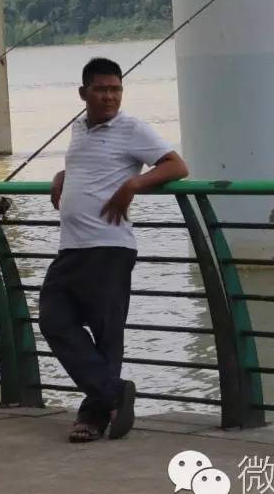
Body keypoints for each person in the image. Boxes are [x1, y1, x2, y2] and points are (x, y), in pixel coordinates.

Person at [40, 57, 189, 443]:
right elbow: (89, 166)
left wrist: (133, 185)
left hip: (109, 247)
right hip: (71, 247)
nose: (110, 97)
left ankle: (94, 416)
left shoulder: (132, 128)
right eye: (101, 90)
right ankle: (113, 393)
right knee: (53, 321)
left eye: (116, 89)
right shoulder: (78, 128)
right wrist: (62, 174)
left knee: (107, 335)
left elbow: (176, 166)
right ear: (83, 93)